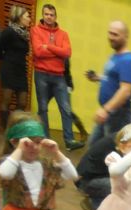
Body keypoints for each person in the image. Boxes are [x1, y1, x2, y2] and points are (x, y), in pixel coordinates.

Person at [30, 3, 83, 150]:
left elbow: (67, 53)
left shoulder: (63, 34)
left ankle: (69, 141)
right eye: (46, 14)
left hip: (59, 76)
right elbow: (38, 52)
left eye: (51, 15)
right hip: (41, 74)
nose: (49, 17)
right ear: (43, 15)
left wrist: (48, 46)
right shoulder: (35, 30)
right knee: (42, 108)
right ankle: (46, 140)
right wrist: (57, 51)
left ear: (55, 17)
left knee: (66, 108)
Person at [85, 20, 131, 146]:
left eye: (115, 34)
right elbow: (112, 78)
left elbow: (126, 90)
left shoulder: (128, 61)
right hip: (109, 115)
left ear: (125, 36)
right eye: (110, 33)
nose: (111, 37)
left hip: (118, 116)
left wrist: (106, 110)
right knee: (93, 149)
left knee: (112, 152)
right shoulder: (115, 57)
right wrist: (97, 78)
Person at [0, 6, 30, 127]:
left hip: (21, 70)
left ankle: (14, 125)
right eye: (27, 16)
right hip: (9, 68)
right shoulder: (9, 31)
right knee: (7, 100)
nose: (29, 19)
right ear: (19, 17)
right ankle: (6, 128)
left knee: (22, 102)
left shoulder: (25, 34)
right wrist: (5, 61)